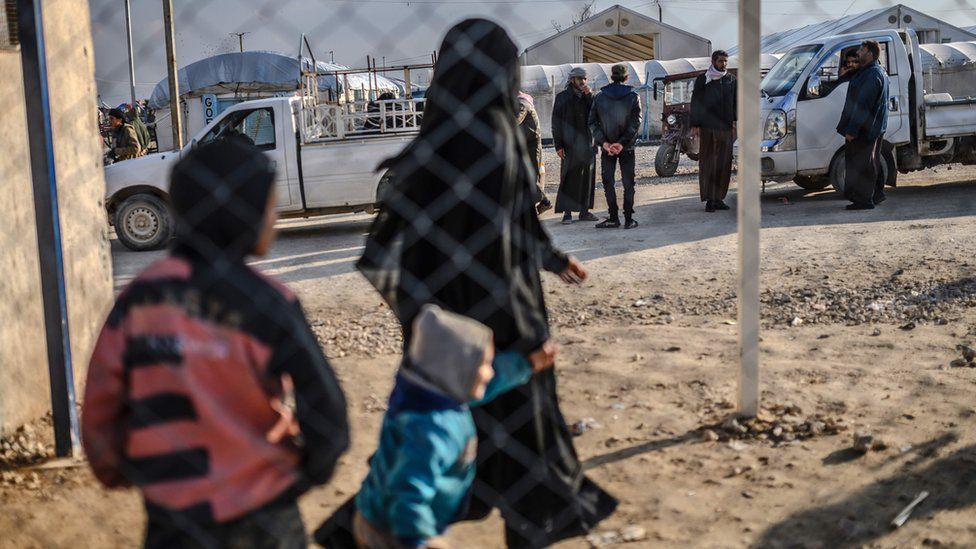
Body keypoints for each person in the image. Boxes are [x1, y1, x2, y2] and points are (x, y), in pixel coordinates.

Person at [317, 19, 616, 549]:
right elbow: (516, 224)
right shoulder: (500, 134)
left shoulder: (436, 139)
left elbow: (389, 248)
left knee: (428, 443)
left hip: (449, 332)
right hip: (507, 318)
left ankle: (371, 526)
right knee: (526, 446)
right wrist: (544, 267)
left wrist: (422, 319)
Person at [82, 138, 349, 549]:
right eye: (268, 206)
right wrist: (307, 473)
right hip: (263, 513)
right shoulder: (270, 302)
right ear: (243, 214)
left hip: (173, 517)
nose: (273, 219)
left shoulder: (138, 300)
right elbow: (327, 408)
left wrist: (117, 470)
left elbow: (101, 402)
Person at [353, 305, 556, 549]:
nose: (489, 372)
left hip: (385, 515)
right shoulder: (431, 429)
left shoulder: (426, 391)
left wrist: (524, 365)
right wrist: (416, 541)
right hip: (396, 530)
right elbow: (408, 492)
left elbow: (483, 386)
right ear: (458, 371)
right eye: (485, 365)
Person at [837, 39, 889, 210]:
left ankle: (863, 200)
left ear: (870, 53)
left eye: (861, 49)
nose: (858, 53)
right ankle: (877, 194)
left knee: (861, 164)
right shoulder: (868, 71)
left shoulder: (872, 74)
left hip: (864, 129)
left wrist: (852, 130)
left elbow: (863, 105)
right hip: (871, 127)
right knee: (871, 162)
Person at [588, 64, 642, 230]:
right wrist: (622, 143)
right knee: (628, 183)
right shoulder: (633, 96)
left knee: (608, 182)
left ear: (611, 77)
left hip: (607, 148)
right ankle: (628, 219)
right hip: (626, 148)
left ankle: (613, 218)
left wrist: (605, 143)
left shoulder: (600, 97)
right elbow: (635, 122)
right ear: (626, 78)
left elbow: (592, 122)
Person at [689, 50, 737, 213]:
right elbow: (696, 102)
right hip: (708, 127)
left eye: (725, 61)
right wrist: (695, 123)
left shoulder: (731, 80)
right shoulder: (703, 79)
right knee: (709, 163)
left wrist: (735, 121)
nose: (723, 64)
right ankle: (709, 199)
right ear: (713, 61)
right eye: (720, 61)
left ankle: (719, 198)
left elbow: (735, 102)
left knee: (724, 163)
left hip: (725, 128)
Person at [552, 67, 598, 225]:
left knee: (587, 178)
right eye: (579, 79)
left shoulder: (589, 97)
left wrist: (589, 96)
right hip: (569, 145)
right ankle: (567, 213)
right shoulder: (562, 97)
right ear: (572, 80)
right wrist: (558, 145)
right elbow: (556, 123)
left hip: (587, 144)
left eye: (585, 79)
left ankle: (585, 212)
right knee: (569, 177)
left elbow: (596, 114)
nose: (583, 82)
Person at [518, 91, 552, 214]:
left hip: (531, 146)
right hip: (524, 144)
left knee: (531, 176)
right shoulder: (520, 101)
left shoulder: (522, 103)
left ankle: (545, 201)